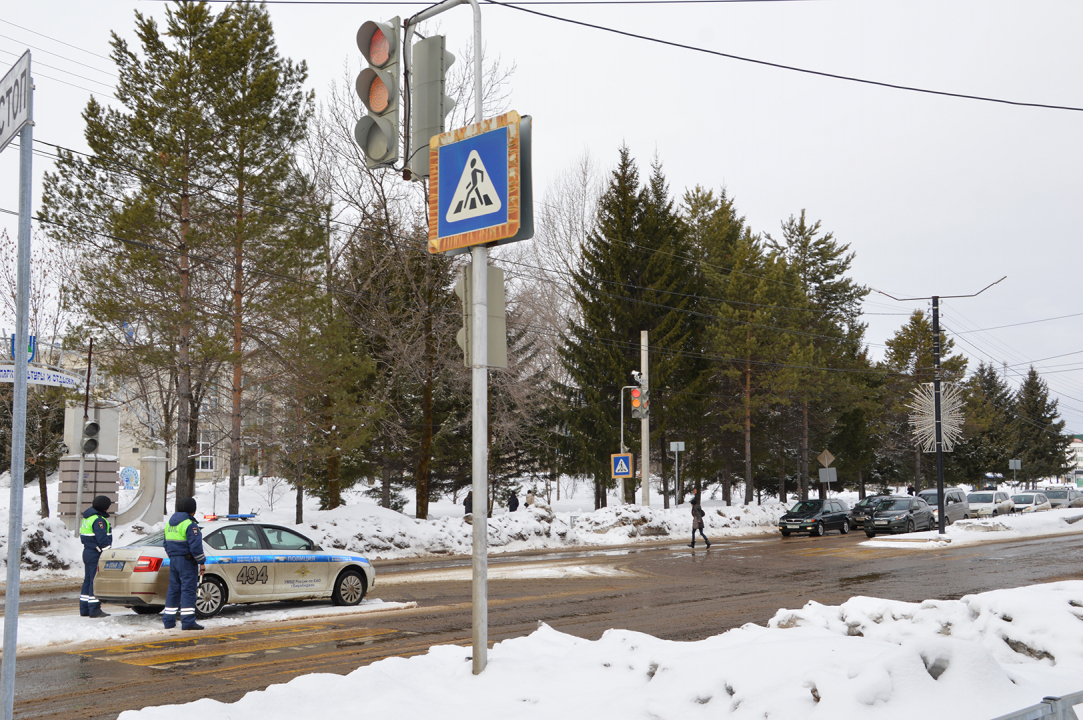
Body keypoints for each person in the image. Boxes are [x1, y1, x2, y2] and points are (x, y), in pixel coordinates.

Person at [163, 497, 207, 631]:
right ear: (192, 510)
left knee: (173, 590)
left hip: (174, 561)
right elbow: (195, 547)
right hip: (187, 562)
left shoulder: (169, 524)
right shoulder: (190, 525)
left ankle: (168, 621)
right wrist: (201, 562)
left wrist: (173, 556)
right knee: (188, 590)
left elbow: (165, 544)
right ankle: (188, 622)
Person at [79, 495, 113, 618]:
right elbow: (102, 539)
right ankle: (94, 609)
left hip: (88, 552)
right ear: (105, 507)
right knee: (95, 581)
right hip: (96, 553)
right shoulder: (99, 520)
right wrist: (108, 552)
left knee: (88, 580)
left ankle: (84, 609)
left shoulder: (88, 518)